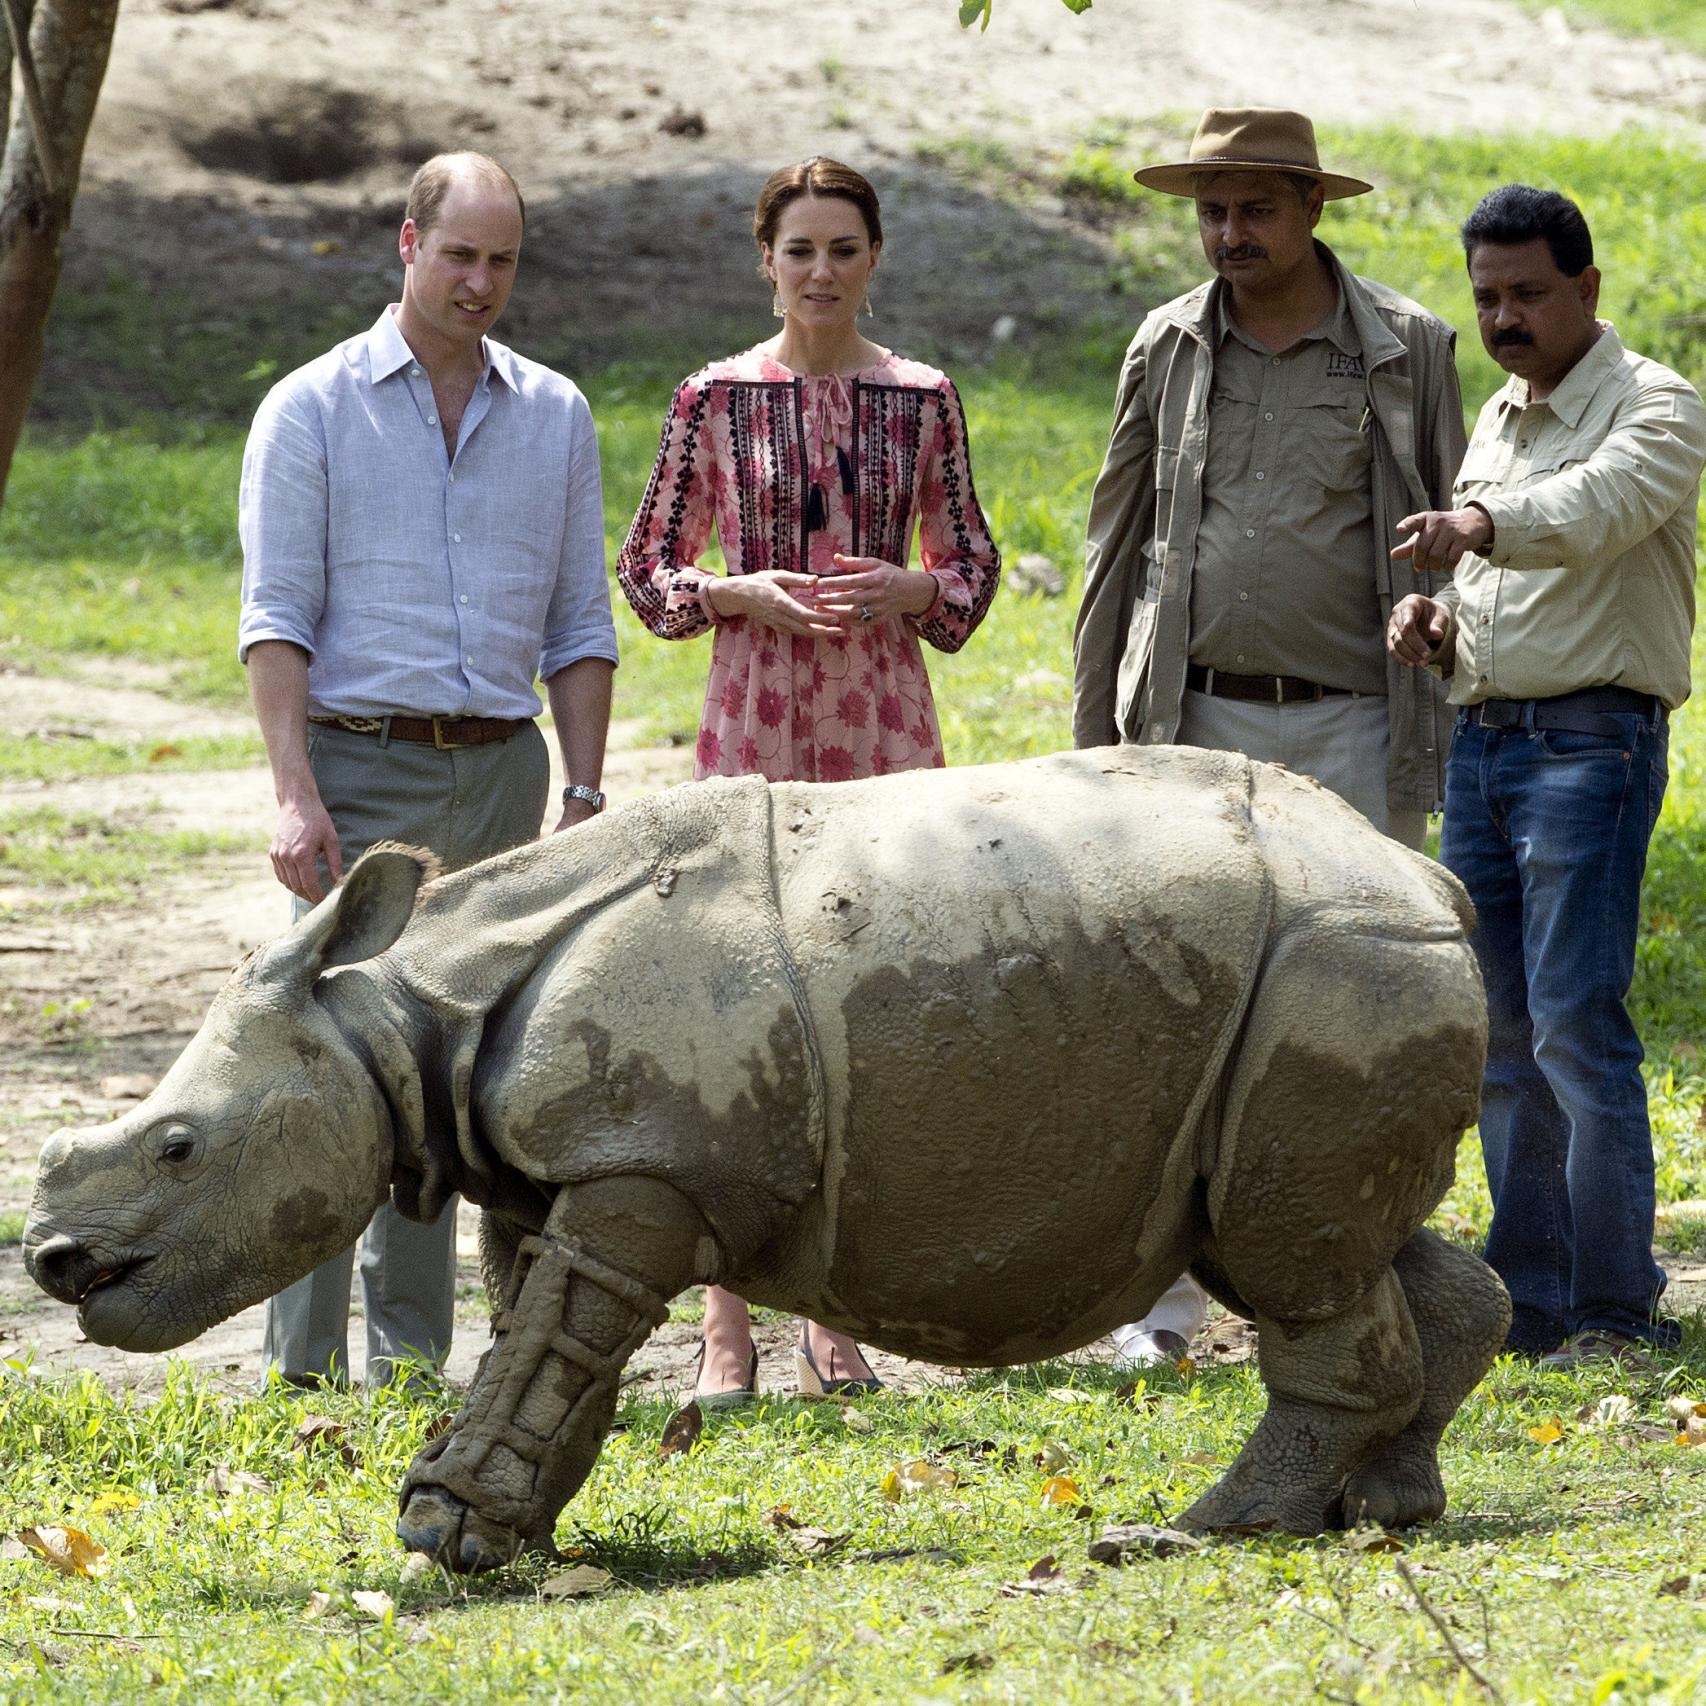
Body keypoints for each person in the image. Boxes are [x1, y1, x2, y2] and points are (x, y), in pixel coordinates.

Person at [1071, 108, 1466, 1368]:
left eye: (1253, 209)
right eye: (1209, 211)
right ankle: (1167, 1306)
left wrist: (1447, 667)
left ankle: (1354, 1280)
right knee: (1171, 1001)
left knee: (1351, 1008)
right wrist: (1093, 741)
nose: (1228, 234)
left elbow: (1457, 528)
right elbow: (1112, 542)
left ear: (1308, 208)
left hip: (1352, 720)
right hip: (1189, 718)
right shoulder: (1166, 343)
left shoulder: (1405, 346)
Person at [617, 156, 1000, 1404]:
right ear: (764, 260)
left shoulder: (922, 399)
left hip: (882, 716)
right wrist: (736, 588)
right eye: (799, 250)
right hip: (757, 714)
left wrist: (915, 586)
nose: (820, 272)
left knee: (872, 1011)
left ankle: (835, 1313)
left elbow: (975, 567)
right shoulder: (712, 399)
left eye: (843, 249)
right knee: (747, 1008)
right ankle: (727, 1324)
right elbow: (648, 574)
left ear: (873, 258)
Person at [238, 151, 619, 1388]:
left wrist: (583, 792)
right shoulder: (312, 407)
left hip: (501, 778)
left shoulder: (553, 412)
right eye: (459, 254)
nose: (481, 282)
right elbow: (276, 618)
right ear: (406, 245)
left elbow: (577, 625)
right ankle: (300, 1370)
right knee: (328, 1069)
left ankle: (410, 1363)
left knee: (449, 1081)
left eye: (502, 260)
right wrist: (296, 792)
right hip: (360, 771)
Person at [1387, 186, 1706, 1368]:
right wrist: (1434, 616)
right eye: (1485, 298)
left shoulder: (1658, 404)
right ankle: (1528, 1300)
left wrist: (1472, 527)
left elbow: (1594, 509)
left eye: (1526, 292)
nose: (1505, 317)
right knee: (1498, 1034)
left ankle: (1615, 1307)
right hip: (1485, 742)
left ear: (1586, 289)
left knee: (1575, 1021)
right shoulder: (1501, 416)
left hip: (1591, 745)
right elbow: (1500, 560)